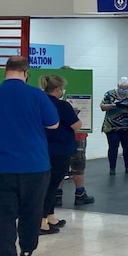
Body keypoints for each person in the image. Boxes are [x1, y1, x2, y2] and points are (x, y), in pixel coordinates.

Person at [0, 56, 59, 256]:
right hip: (34, 165)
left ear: (5, 71)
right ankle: (27, 250)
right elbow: (53, 123)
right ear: (26, 72)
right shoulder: (37, 95)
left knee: (2, 214)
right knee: (32, 210)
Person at [39, 75, 81, 234]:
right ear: (58, 89)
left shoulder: (39, 102)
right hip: (60, 150)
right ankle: (42, 222)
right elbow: (76, 124)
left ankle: (50, 217)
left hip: (43, 149)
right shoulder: (63, 106)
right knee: (51, 186)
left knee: (47, 183)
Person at [56, 65, 94, 207]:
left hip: (60, 137)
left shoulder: (53, 99)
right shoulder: (81, 89)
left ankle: (57, 194)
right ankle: (80, 193)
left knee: (60, 166)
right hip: (77, 135)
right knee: (78, 165)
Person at [100, 76, 128, 175]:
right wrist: (112, 105)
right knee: (113, 147)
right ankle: (112, 168)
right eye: (122, 88)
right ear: (118, 86)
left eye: (125, 88)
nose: (123, 90)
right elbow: (102, 106)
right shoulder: (109, 94)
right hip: (112, 126)